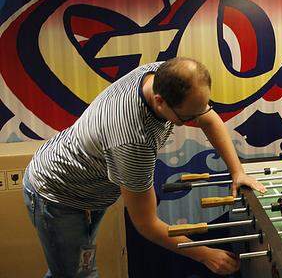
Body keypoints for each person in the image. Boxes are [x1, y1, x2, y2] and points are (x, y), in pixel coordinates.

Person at [23, 57, 266, 277]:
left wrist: (238, 172)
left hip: (89, 189)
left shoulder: (158, 73)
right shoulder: (133, 140)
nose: (194, 120)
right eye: (186, 119)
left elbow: (208, 118)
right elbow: (146, 224)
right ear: (160, 101)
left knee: (77, 268)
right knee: (77, 274)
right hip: (58, 195)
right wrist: (204, 254)